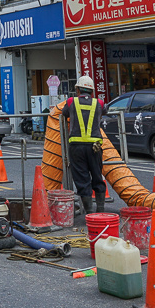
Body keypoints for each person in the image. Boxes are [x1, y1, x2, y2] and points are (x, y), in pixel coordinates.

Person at [62, 75, 106, 216]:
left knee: (82, 178)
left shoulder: (71, 101)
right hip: (95, 147)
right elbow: (106, 110)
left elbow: (64, 113)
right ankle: (100, 211)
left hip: (77, 147)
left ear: (78, 90)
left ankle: (89, 213)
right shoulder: (99, 103)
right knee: (97, 176)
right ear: (92, 91)